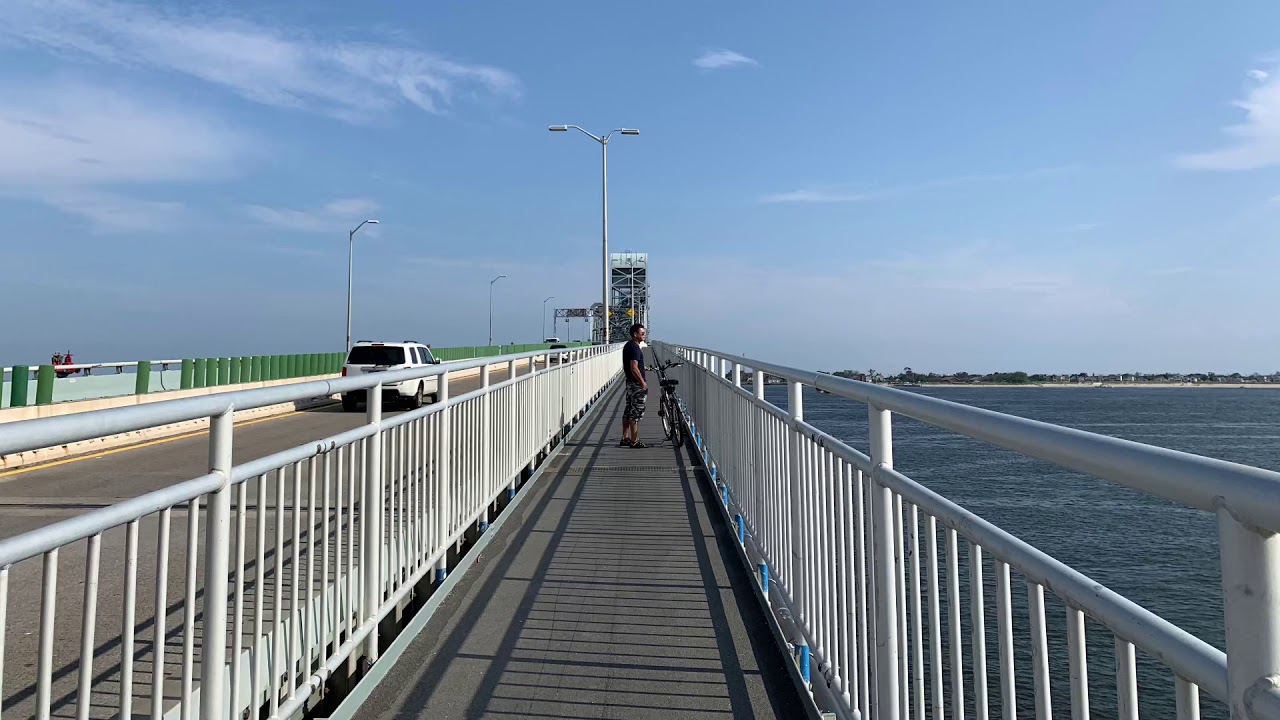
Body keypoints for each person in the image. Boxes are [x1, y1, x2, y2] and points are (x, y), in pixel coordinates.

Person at [620, 323, 648, 448]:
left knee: (628, 410)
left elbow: (634, 366)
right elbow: (633, 367)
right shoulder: (635, 348)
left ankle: (625, 438)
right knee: (635, 412)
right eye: (642, 333)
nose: (644, 335)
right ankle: (634, 440)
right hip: (636, 385)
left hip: (630, 383)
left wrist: (644, 368)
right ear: (635, 334)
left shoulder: (628, 346)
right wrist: (643, 383)